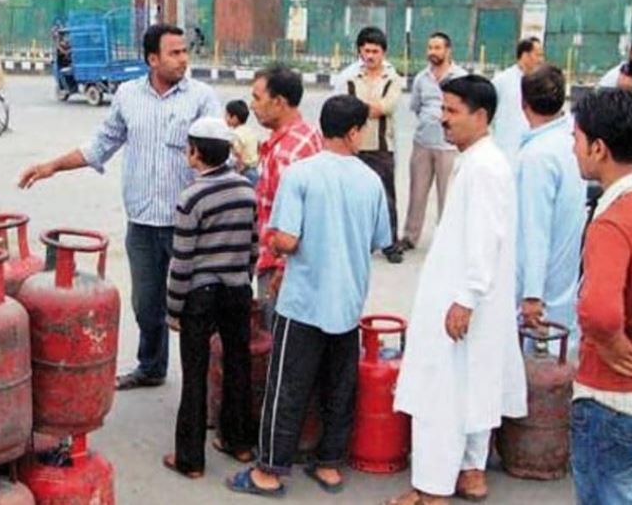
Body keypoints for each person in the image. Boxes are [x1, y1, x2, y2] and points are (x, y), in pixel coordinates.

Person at [18, 24, 221, 391]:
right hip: (142, 223)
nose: (183, 59)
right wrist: (52, 166)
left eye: (185, 51)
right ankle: (151, 367)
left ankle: (202, 384)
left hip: (189, 226)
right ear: (152, 59)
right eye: (175, 53)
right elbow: (101, 145)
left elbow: (219, 158)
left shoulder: (202, 98)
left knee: (196, 306)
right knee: (146, 304)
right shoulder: (128, 96)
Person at [225, 95, 391, 498]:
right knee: (339, 388)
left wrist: (272, 242)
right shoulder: (370, 180)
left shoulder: (301, 174)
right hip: (347, 302)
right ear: (354, 132)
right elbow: (377, 240)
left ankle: (269, 471)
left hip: (303, 302)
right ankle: (330, 464)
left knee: (287, 387)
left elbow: (287, 239)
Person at [389, 75, 526, 505]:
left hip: (463, 299)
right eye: (441, 109)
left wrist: (466, 299)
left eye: (452, 111)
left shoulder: (483, 167)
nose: (442, 119)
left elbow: (484, 239)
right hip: (473, 298)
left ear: (481, 116)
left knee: (442, 392)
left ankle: (432, 489)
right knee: (473, 384)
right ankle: (470, 471)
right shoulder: (481, 160)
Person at [162, 117, 257, 480]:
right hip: (237, 290)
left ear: (195, 153)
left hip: (200, 296)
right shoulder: (246, 189)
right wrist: (243, 280)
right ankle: (239, 442)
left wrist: (174, 308)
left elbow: (182, 259)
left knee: (195, 375)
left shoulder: (192, 198)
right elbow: (252, 246)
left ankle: (190, 460)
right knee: (238, 366)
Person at [569, 88, 632, 505]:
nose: (574, 148)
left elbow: (599, 311)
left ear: (598, 148)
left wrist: (611, 341)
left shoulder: (614, 221)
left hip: (615, 398)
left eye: (577, 139)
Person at [249, 65, 323, 330]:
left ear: (279, 102)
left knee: (279, 338)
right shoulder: (308, 133)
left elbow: (296, 222)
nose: (252, 106)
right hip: (306, 265)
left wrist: (281, 268)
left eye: (257, 98)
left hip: (283, 268)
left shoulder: (286, 156)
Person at [516, 65, 585, 339]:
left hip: (540, 297)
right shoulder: (570, 143)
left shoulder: (537, 156)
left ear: (523, 103)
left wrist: (532, 294)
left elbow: (535, 229)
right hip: (562, 283)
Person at [335, 26, 404, 264]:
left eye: (375, 51)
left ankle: (390, 244)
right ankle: (357, 242)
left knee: (386, 197)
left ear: (383, 53)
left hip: (381, 147)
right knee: (353, 198)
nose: (371, 56)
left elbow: (386, 107)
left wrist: (360, 108)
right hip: (353, 147)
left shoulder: (392, 79)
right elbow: (346, 108)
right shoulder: (350, 79)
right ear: (359, 52)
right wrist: (367, 108)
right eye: (367, 51)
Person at [399, 32, 467, 252]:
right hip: (423, 143)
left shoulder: (461, 77)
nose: (432, 52)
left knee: (447, 195)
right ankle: (410, 236)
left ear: (448, 51)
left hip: (449, 147)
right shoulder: (422, 78)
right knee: (417, 192)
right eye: (430, 48)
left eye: (437, 48)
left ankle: (446, 239)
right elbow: (417, 107)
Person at [491, 37, 545, 167]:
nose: (541, 60)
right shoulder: (502, 81)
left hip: (532, 152)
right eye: (538, 55)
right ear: (525, 55)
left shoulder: (541, 83)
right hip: (505, 151)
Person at [225, 99, 259, 185]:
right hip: (254, 170)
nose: (225, 118)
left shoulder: (235, 134)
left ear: (234, 118)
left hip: (244, 171)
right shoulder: (250, 131)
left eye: (227, 115)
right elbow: (259, 146)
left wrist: (239, 170)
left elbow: (237, 153)